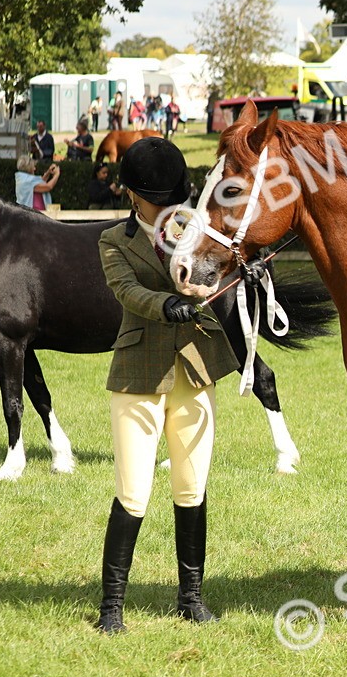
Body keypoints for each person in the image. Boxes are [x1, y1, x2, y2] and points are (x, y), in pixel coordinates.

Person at [94, 137, 240, 634]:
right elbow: (126, 291)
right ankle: (111, 607)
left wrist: (229, 275)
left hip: (196, 367)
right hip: (139, 373)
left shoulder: (194, 232)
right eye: (157, 200)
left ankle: (190, 597)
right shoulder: (114, 240)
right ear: (133, 196)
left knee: (191, 486)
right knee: (134, 492)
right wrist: (167, 304)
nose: (167, 208)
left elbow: (219, 267)